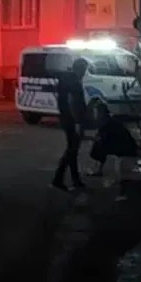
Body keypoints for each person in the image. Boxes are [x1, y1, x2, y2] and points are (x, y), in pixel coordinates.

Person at [52, 57, 90, 191]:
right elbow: (73, 103)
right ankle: (59, 178)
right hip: (72, 120)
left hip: (66, 118)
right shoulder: (73, 82)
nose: (84, 73)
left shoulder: (66, 79)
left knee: (73, 149)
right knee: (72, 149)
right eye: (83, 70)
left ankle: (74, 179)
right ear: (79, 69)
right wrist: (78, 122)